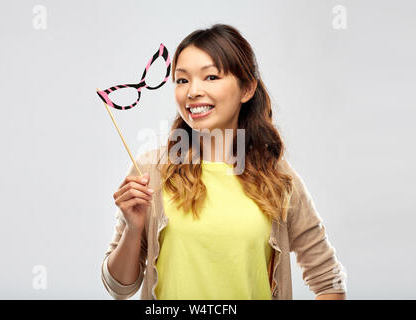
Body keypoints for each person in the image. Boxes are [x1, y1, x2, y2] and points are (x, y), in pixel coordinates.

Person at [101, 24, 347, 300]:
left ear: (247, 89)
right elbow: (119, 287)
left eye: (211, 77)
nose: (192, 91)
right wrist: (133, 230)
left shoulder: (276, 177)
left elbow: (329, 281)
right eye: (182, 80)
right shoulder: (151, 171)